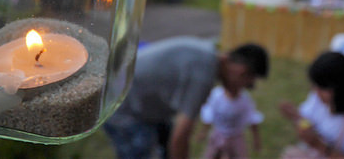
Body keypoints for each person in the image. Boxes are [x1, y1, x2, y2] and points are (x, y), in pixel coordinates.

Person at [105, 38, 269, 159]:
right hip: (122, 108)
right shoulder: (203, 75)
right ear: (242, 70)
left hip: (141, 105)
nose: (242, 90)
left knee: (165, 141)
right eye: (247, 84)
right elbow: (180, 138)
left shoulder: (208, 53)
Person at [279, 52, 344, 159]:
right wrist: (295, 116)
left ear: (341, 88)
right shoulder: (319, 98)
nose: (316, 93)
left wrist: (318, 145)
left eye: (322, 88)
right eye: (315, 86)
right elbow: (307, 120)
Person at [198, 84, 263, 158]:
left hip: (236, 136)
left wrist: (256, 139)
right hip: (218, 134)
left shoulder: (244, 100)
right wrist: (204, 131)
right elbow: (209, 114)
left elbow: (252, 118)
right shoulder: (217, 95)